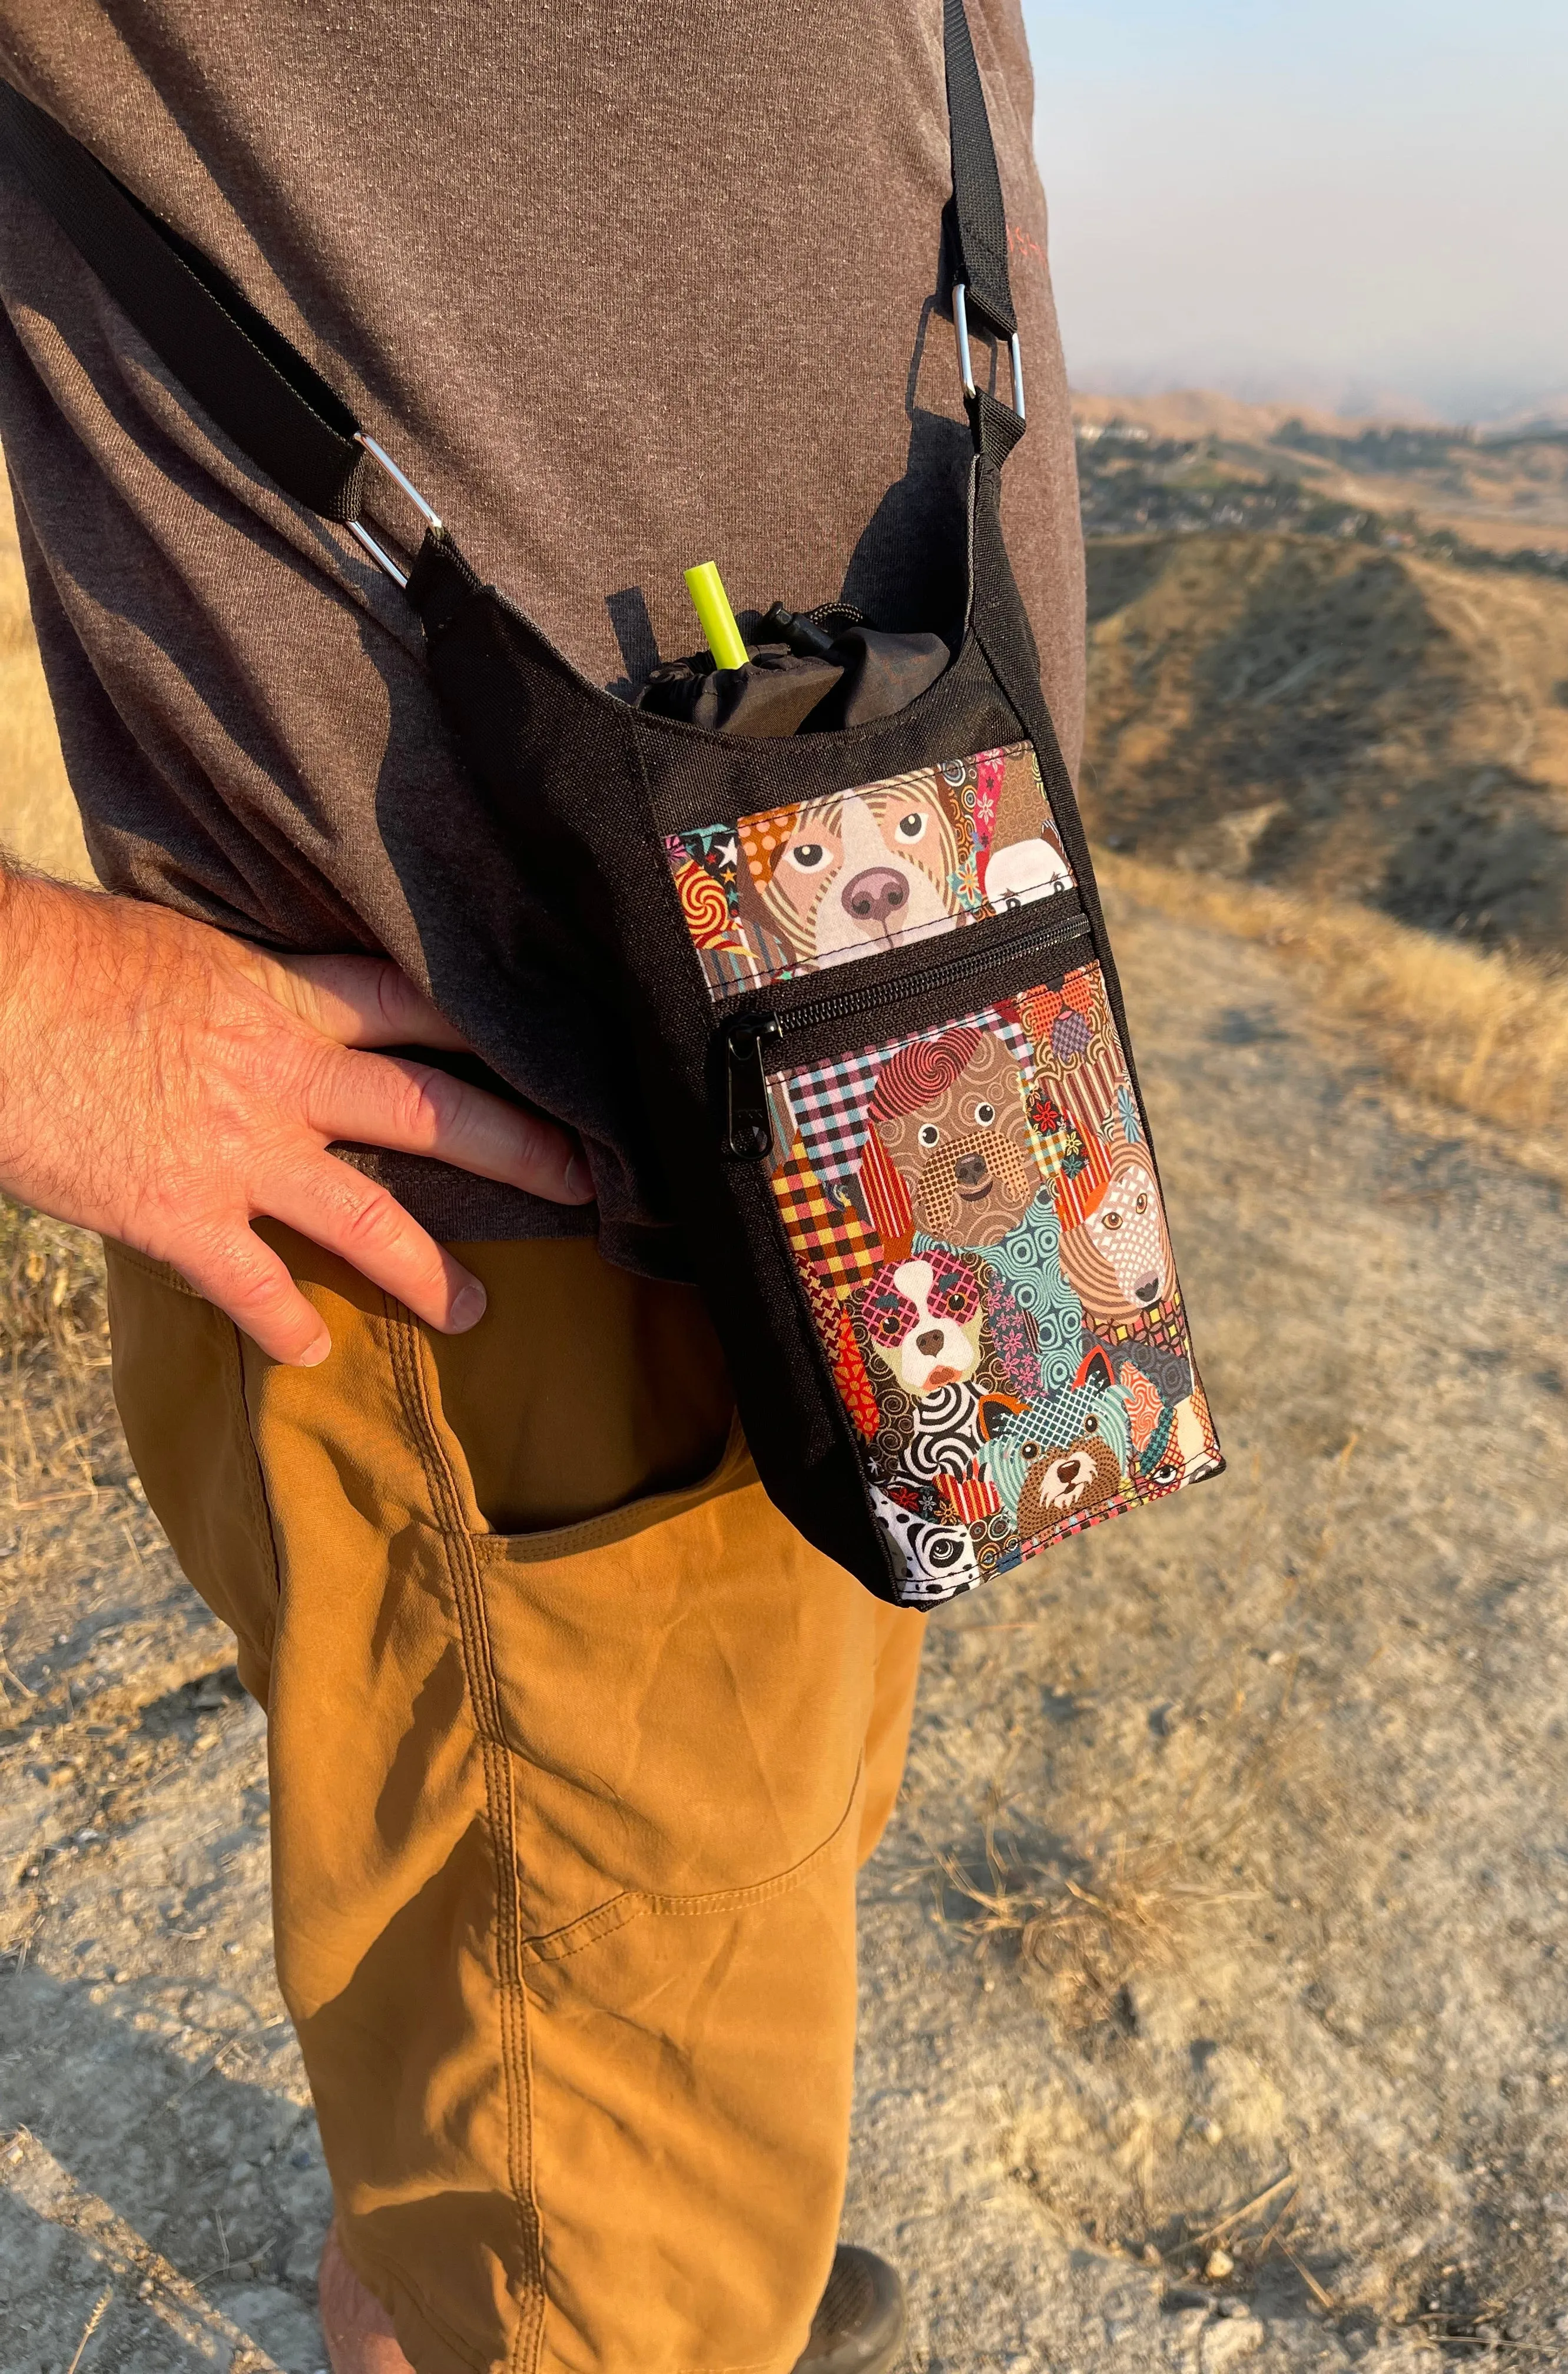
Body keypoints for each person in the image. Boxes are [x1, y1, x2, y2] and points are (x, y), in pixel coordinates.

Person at [0, 6, 1085, 2369]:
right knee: (605, 2226)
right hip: (499, 1210)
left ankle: (534, 2280)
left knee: (677, 1974)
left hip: (906, 1076)